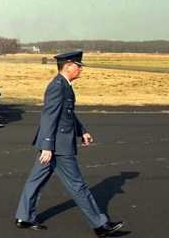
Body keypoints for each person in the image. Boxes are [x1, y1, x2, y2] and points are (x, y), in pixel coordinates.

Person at [14, 51, 124, 237]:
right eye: (78, 66)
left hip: (55, 143)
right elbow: (49, 116)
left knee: (35, 180)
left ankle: (24, 217)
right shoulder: (57, 87)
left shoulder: (64, 85)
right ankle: (100, 225)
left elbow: (67, 113)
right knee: (78, 186)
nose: (81, 69)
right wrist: (47, 146)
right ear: (68, 66)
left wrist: (82, 131)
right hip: (58, 146)